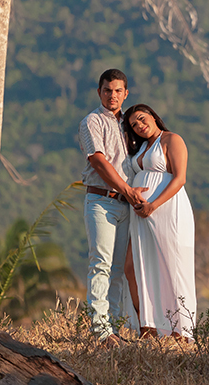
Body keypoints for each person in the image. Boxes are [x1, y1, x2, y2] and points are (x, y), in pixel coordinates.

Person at [78, 68, 146, 343]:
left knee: (118, 268)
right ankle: (100, 329)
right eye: (107, 90)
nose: (113, 95)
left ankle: (114, 328)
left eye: (118, 91)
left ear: (126, 93)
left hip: (126, 205)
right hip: (101, 201)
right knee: (101, 264)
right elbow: (98, 161)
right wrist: (128, 190)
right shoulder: (92, 121)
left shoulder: (128, 124)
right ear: (99, 92)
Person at [124, 103, 198, 340]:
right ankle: (148, 324)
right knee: (136, 266)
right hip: (142, 215)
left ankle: (181, 330)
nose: (140, 126)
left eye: (143, 119)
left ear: (154, 117)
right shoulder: (142, 147)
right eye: (134, 125)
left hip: (167, 210)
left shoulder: (171, 139)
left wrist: (153, 205)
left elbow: (180, 178)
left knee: (173, 267)